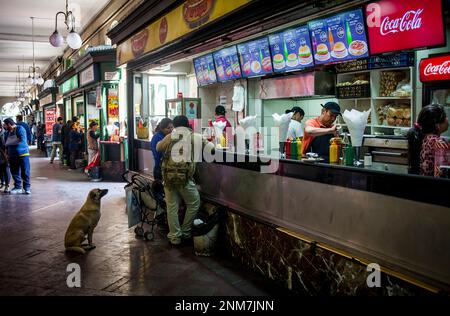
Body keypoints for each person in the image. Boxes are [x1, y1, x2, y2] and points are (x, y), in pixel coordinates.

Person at [157, 115, 214, 247]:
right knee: (194, 203)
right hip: (184, 178)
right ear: (188, 124)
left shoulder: (170, 136)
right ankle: (186, 232)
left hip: (168, 177)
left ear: (175, 126)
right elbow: (211, 148)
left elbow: (159, 147)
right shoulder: (194, 136)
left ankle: (175, 238)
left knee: (172, 207)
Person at [407, 104, 449, 176]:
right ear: (437, 125)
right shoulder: (438, 143)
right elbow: (442, 173)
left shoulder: (425, 138)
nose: (447, 119)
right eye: (445, 117)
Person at [3, 118, 31, 194]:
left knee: (25, 171)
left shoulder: (20, 128)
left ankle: (27, 188)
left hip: (23, 154)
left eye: (5, 125)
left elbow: (21, 140)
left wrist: (10, 142)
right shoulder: (7, 132)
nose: (4, 126)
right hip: (12, 155)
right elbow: (6, 144)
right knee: (14, 172)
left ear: (9, 124)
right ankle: (17, 187)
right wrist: (6, 154)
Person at [0, 124, 11, 193]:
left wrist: (6, 154)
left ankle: (7, 185)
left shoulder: (4, 134)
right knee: (1, 170)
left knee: (5, 169)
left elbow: (5, 146)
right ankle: (3, 182)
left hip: (4, 154)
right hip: (1, 154)